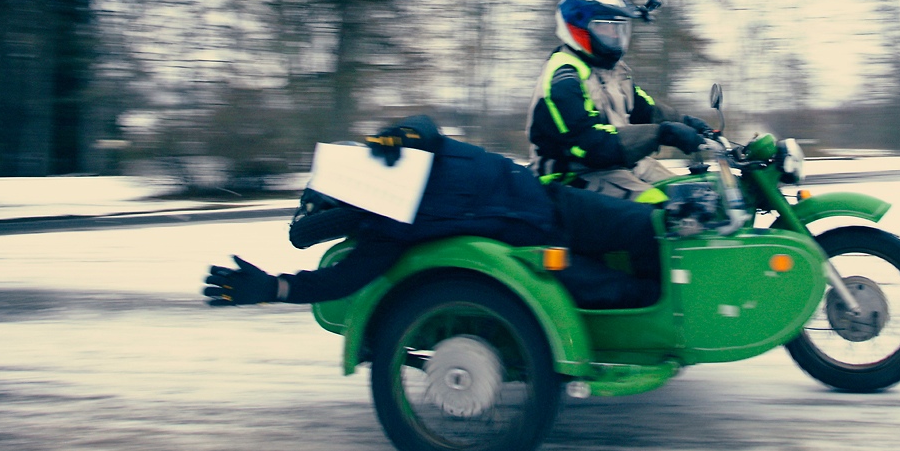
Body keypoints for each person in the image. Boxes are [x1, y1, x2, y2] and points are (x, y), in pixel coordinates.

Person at [203, 116, 661, 310]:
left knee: (649, 228)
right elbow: (339, 280)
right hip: (535, 255)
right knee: (626, 293)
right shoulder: (385, 231)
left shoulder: (402, 154)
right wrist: (273, 287)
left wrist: (396, 135)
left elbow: (425, 128)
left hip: (555, 202)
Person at [527, 0, 710, 202]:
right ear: (578, 29)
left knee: (696, 196)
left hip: (619, 167)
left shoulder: (612, 71)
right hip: (570, 177)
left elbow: (646, 110)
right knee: (666, 210)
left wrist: (690, 124)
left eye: (619, 28)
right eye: (605, 28)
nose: (615, 34)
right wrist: (660, 134)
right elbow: (590, 145)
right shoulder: (564, 78)